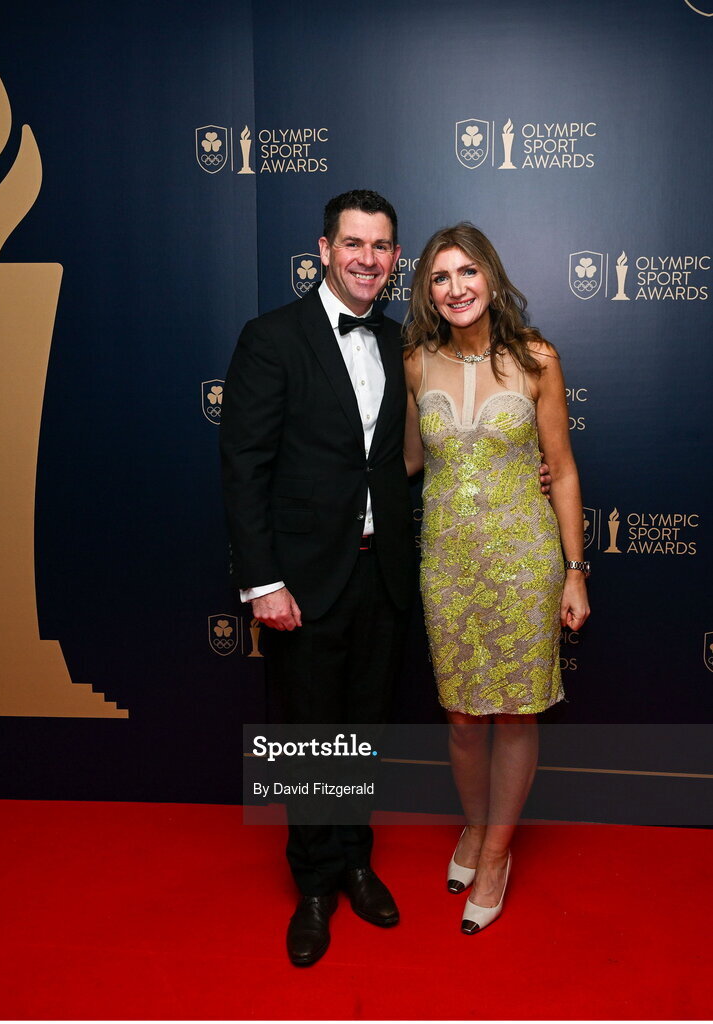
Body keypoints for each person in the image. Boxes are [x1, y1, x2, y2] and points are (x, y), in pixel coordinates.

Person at [220, 190, 415, 966]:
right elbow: (244, 465)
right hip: (302, 580)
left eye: (381, 245)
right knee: (308, 739)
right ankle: (312, 885)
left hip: (382, 573)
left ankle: (356, 862)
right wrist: (262, 581)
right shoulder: (271, 337)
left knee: (362, 732)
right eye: (353, 244)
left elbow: (418, 453)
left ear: (394, 257)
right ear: (324, 250)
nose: (368, 258)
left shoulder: (400, 342)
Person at [403, 223, 590, 934]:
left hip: (523, 561)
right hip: (447, 563)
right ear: (428, 291)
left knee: (514, 715)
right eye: (440, 277)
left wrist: (574, 572)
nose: (455, 288)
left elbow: (561, 469)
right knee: (460, 718)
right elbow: (406, 462)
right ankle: (476, 825)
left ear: (490, 277)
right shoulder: (416, 363)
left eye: (467, 272)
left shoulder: (538, 358)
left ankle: (496, 853)